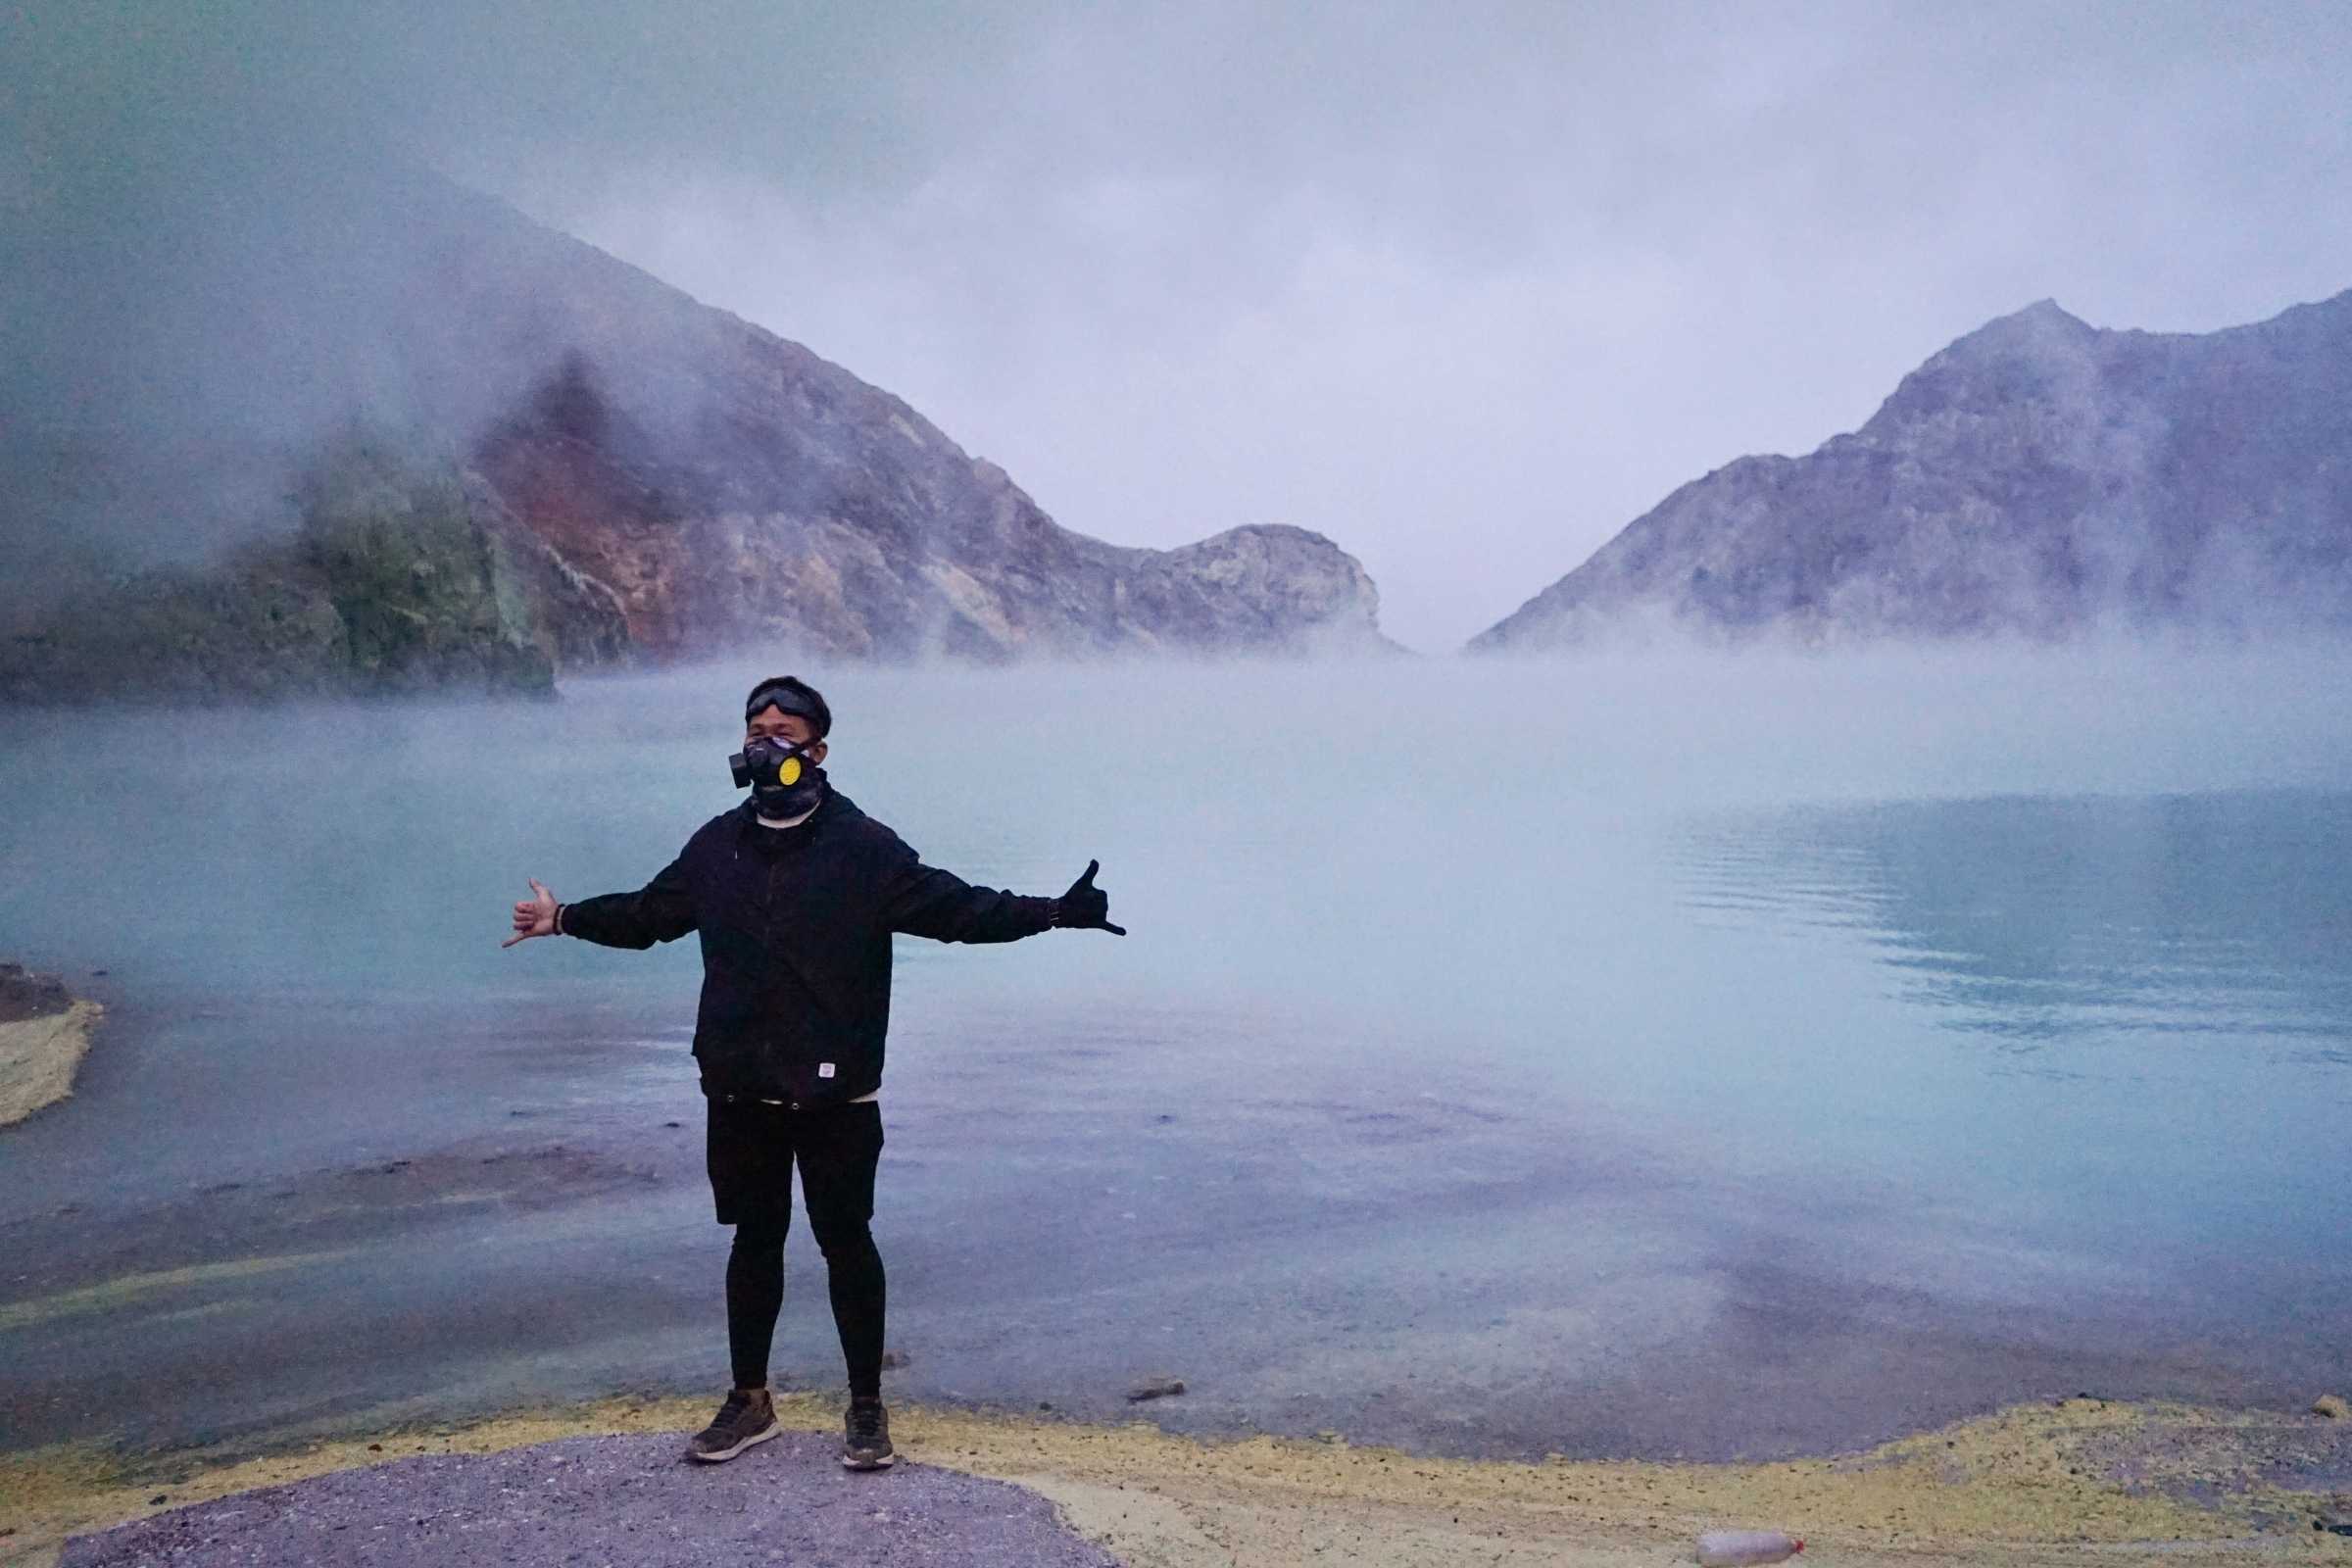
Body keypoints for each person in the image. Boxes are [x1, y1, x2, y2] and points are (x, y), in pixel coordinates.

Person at [501, 674, 1122, 1470]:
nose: (767, 741)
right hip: (739, 1081)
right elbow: (651, 917)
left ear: (817, 750)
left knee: (845, 1240)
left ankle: (865, 1407)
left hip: (838, 1087)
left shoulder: (862, 848)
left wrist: (1055, 913)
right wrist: (565, 919)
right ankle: (750, 1402)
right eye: (757, 727)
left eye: (785, 730)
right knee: (754, 1240)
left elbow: (958, 911)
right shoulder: (716, 845)